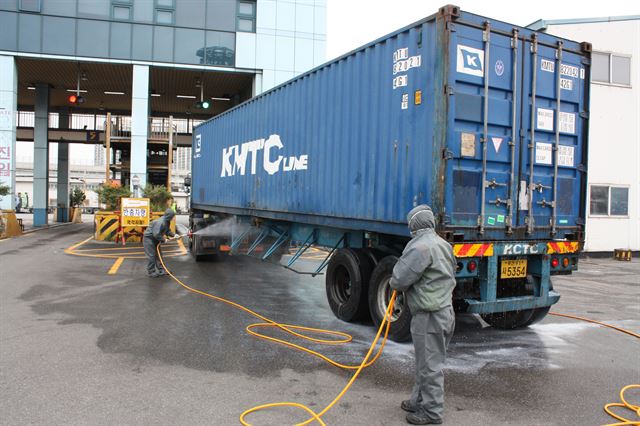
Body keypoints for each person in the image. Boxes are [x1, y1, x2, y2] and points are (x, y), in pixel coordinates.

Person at [389, 204, 456, 425]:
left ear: (413, 225)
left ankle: (432, 413)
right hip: (445, 312)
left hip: (429, 317)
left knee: (430, 366)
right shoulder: (443, 244)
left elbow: (399, 279)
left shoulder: (419, 247)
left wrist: (395, 282)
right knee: (425, 362)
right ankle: (419, 400)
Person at [143, 208, 176, 277]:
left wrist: (174, 235)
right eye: (173, 216)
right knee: (152, 255)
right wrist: (164, 240)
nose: (174, 217)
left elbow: (167, 231)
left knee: (159, 255)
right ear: (169, 216)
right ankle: (151, 271)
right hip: (149, 239)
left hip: (155, 239)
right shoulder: (160, 222)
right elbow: (156, 234)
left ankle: (162, 270)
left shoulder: (167, 221)